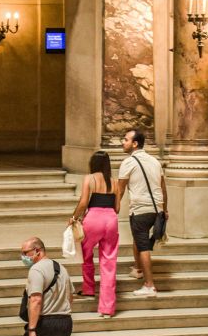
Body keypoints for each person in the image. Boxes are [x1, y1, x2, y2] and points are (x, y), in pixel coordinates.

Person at [116, 128, 166, 297]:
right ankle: (137, 269)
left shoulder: (128, 162)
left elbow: (120, 189)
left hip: (140, 209)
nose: (123, 142)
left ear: (135, 144)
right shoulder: (154, 161)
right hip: (156, 209)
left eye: (125, 139)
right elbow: (163, 187)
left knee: (143, 245)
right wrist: (164, 209)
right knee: (139, 237)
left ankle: (149, 285)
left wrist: (114, 208)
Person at [70, 150, 121, 318]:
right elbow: (118, 208)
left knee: (86, 253)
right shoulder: (115, 182)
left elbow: (84, 202)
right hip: (111, 220)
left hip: (93, 219)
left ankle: (89, 288)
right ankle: (107, 309)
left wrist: (74, 217)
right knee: (109, 264)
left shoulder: (89, 178)